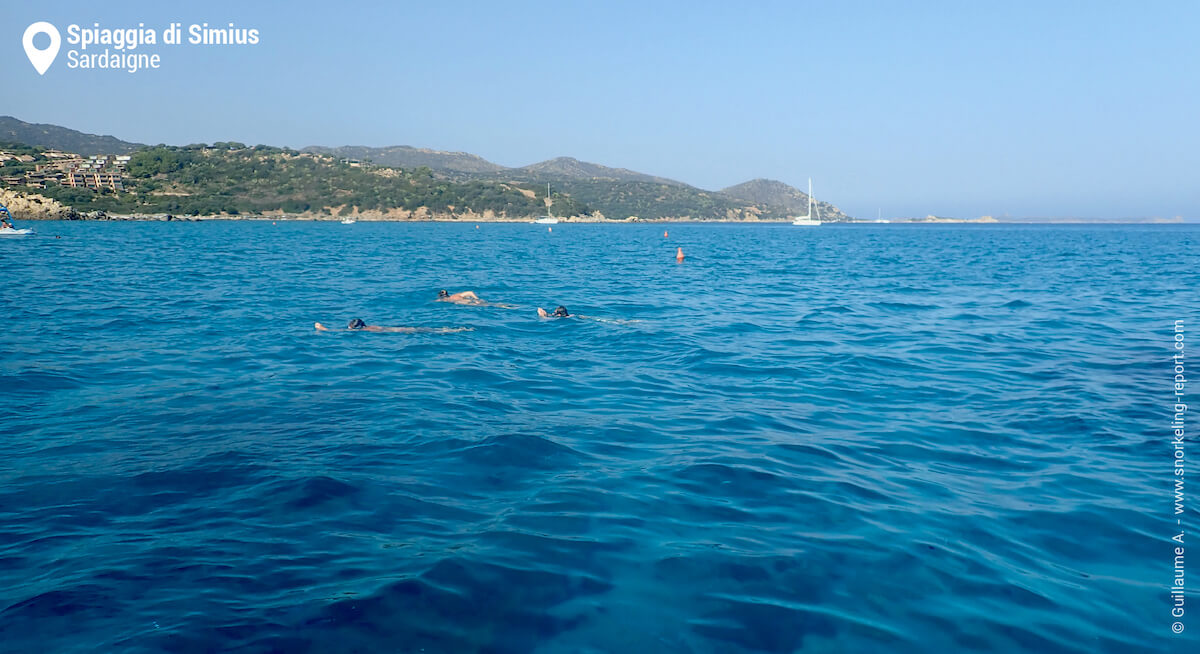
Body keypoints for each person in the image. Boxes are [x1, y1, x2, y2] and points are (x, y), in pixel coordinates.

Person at [315, 319, 470, 334]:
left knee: (432, 331)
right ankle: (454, 330)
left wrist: (324, 329)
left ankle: (454, 330)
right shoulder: (369, 326)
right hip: (399, 329)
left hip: (399, 331)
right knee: (431, 330)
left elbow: (340, 331)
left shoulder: (365, 331)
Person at [437, 289, 517, 309]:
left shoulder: (443, 300)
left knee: (487, 305)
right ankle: (507, 305)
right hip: (471, 300)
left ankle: (505, 306)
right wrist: (477, 298)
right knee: (490, 303)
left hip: (465, 303)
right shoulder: (456, 295)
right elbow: (470, 292)